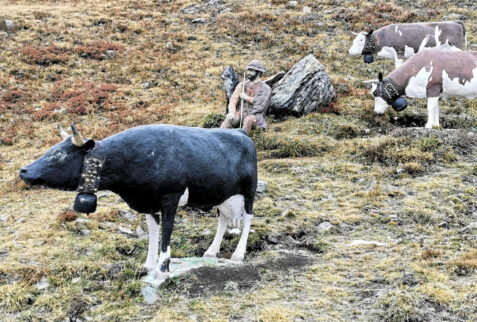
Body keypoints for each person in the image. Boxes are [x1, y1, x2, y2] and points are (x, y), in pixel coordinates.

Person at [220, 60, 271, 135]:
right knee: (229, 119)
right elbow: (233, 100)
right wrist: (231, 111)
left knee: (248, 120)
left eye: (251, 71)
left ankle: (243, 140)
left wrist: (247, 98)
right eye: (248, 70)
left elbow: (261, 105)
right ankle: (218, 136)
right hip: (240, 113)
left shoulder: (265, 88)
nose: (248, 73)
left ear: (259, 72)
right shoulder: (242, 85)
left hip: (255, 116)